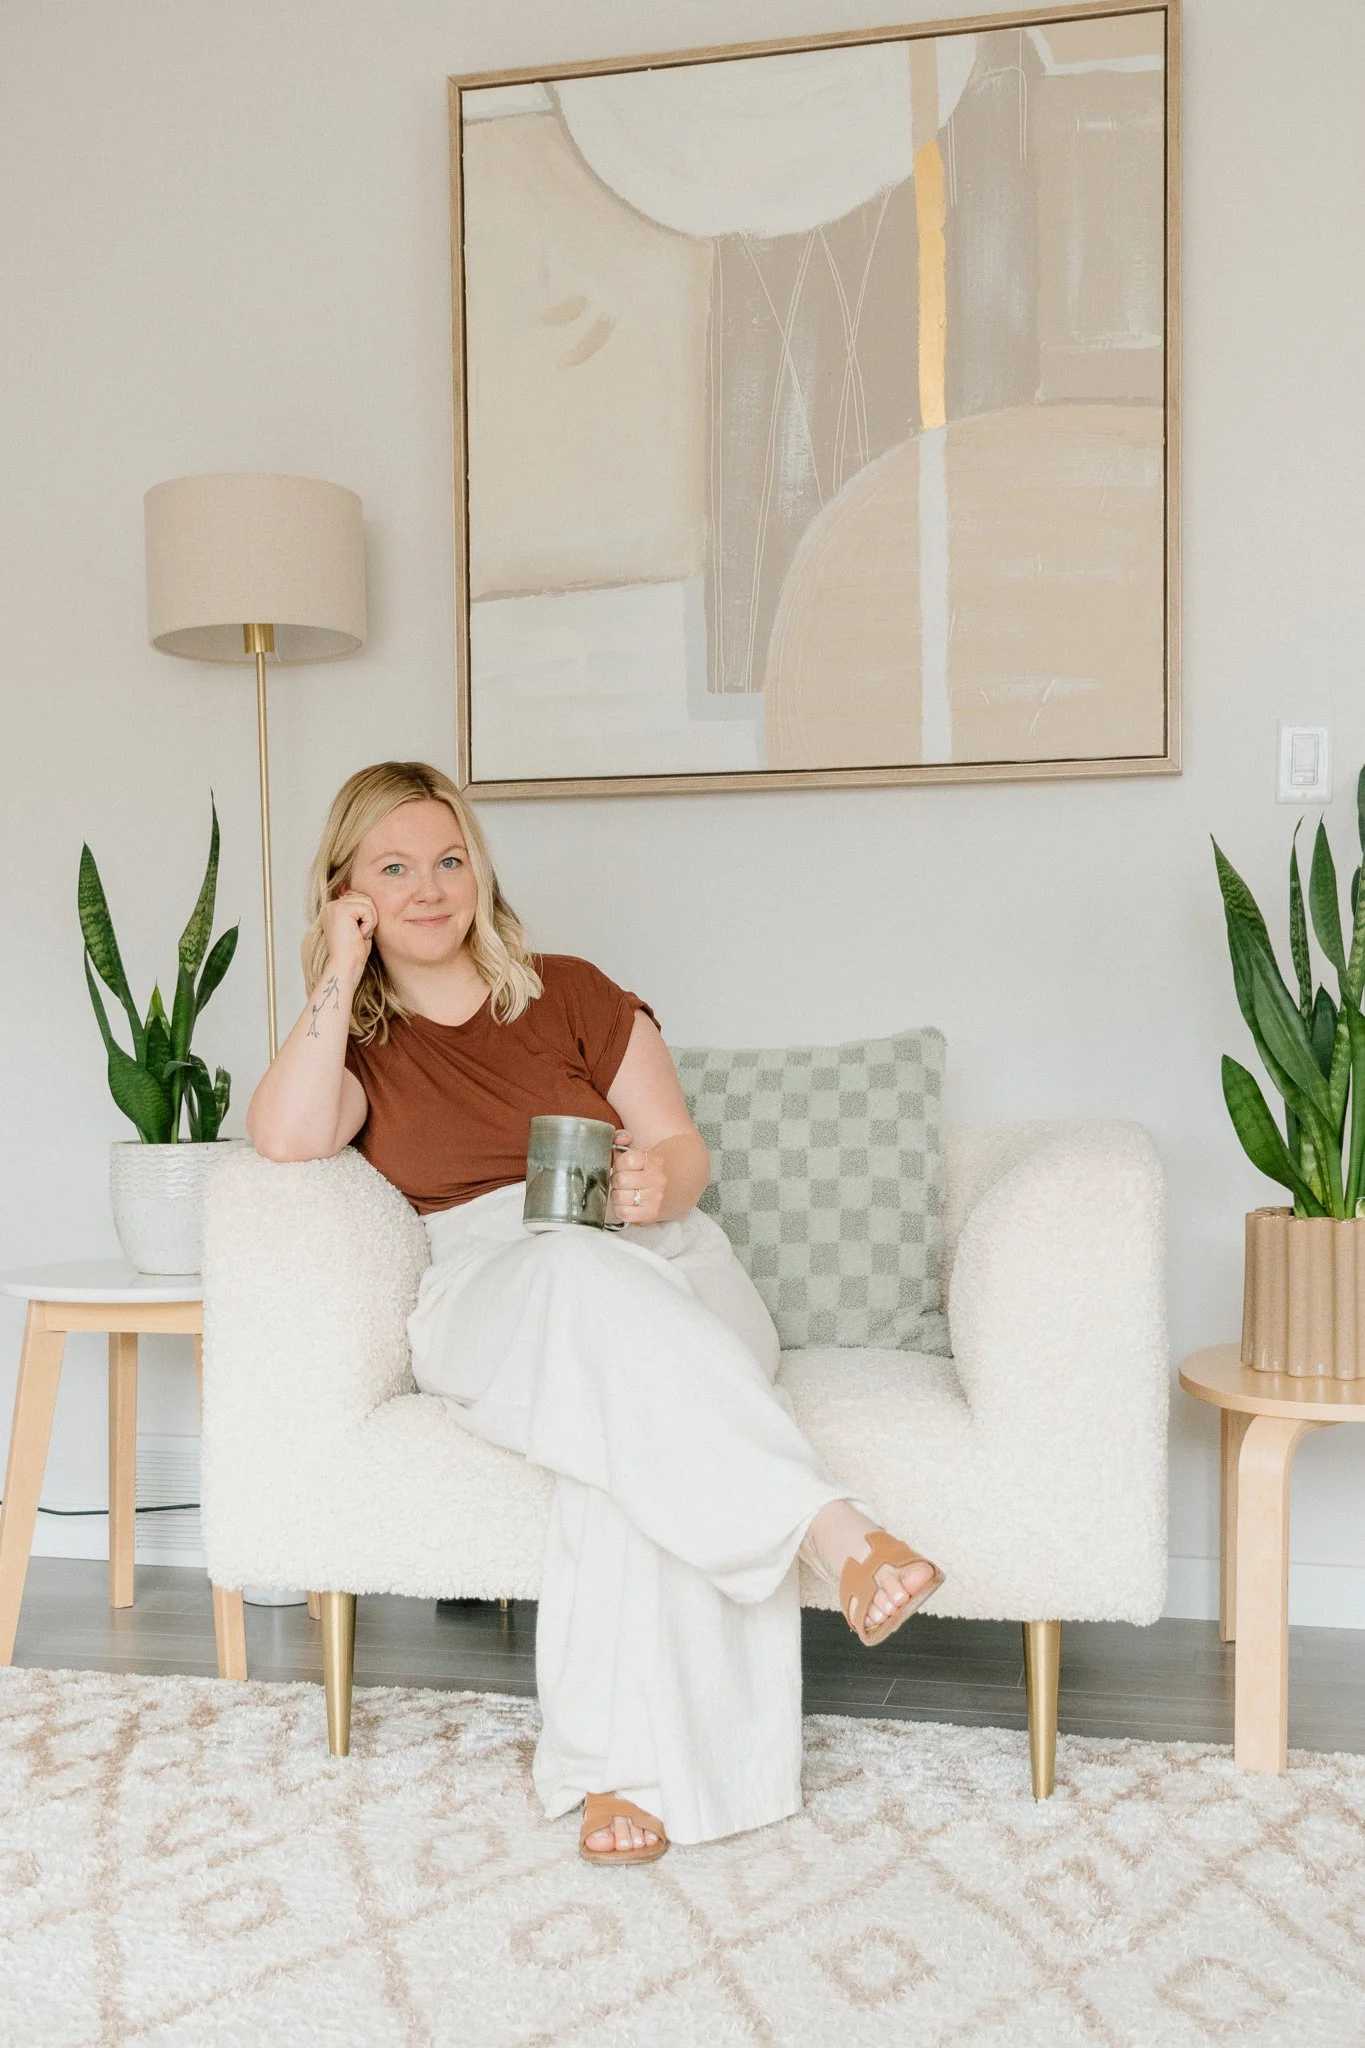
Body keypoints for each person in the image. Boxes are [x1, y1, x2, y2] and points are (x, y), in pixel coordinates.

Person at [247, 761, 944, 1864]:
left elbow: (678, 1145)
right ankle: (830, 1527)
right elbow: (285, 1135)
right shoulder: (358, 1041)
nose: (429, 888)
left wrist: (657, 1186)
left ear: (478, 868)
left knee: (616, 1438)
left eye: (448, 859)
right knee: (581, 1296)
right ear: (349, 889)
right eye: (392, 868)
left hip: (659, 1256)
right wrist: (339, 961)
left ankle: (621, 1772)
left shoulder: (567, 989)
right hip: (499, 1281)